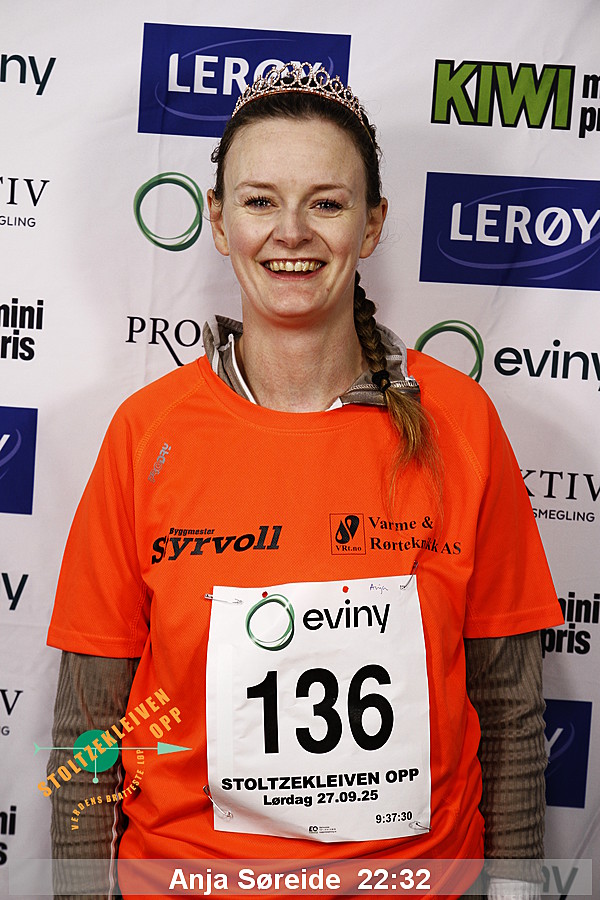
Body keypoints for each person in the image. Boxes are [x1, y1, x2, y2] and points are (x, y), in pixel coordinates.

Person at [46, 62, 562, 899]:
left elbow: (508, 707)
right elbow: (89, 726)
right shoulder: (147, 434)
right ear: (219, 222)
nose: (291, 232)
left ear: (372, 224)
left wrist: (516, 888)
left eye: (326, 203)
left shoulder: (461, 424)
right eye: (260, 201)